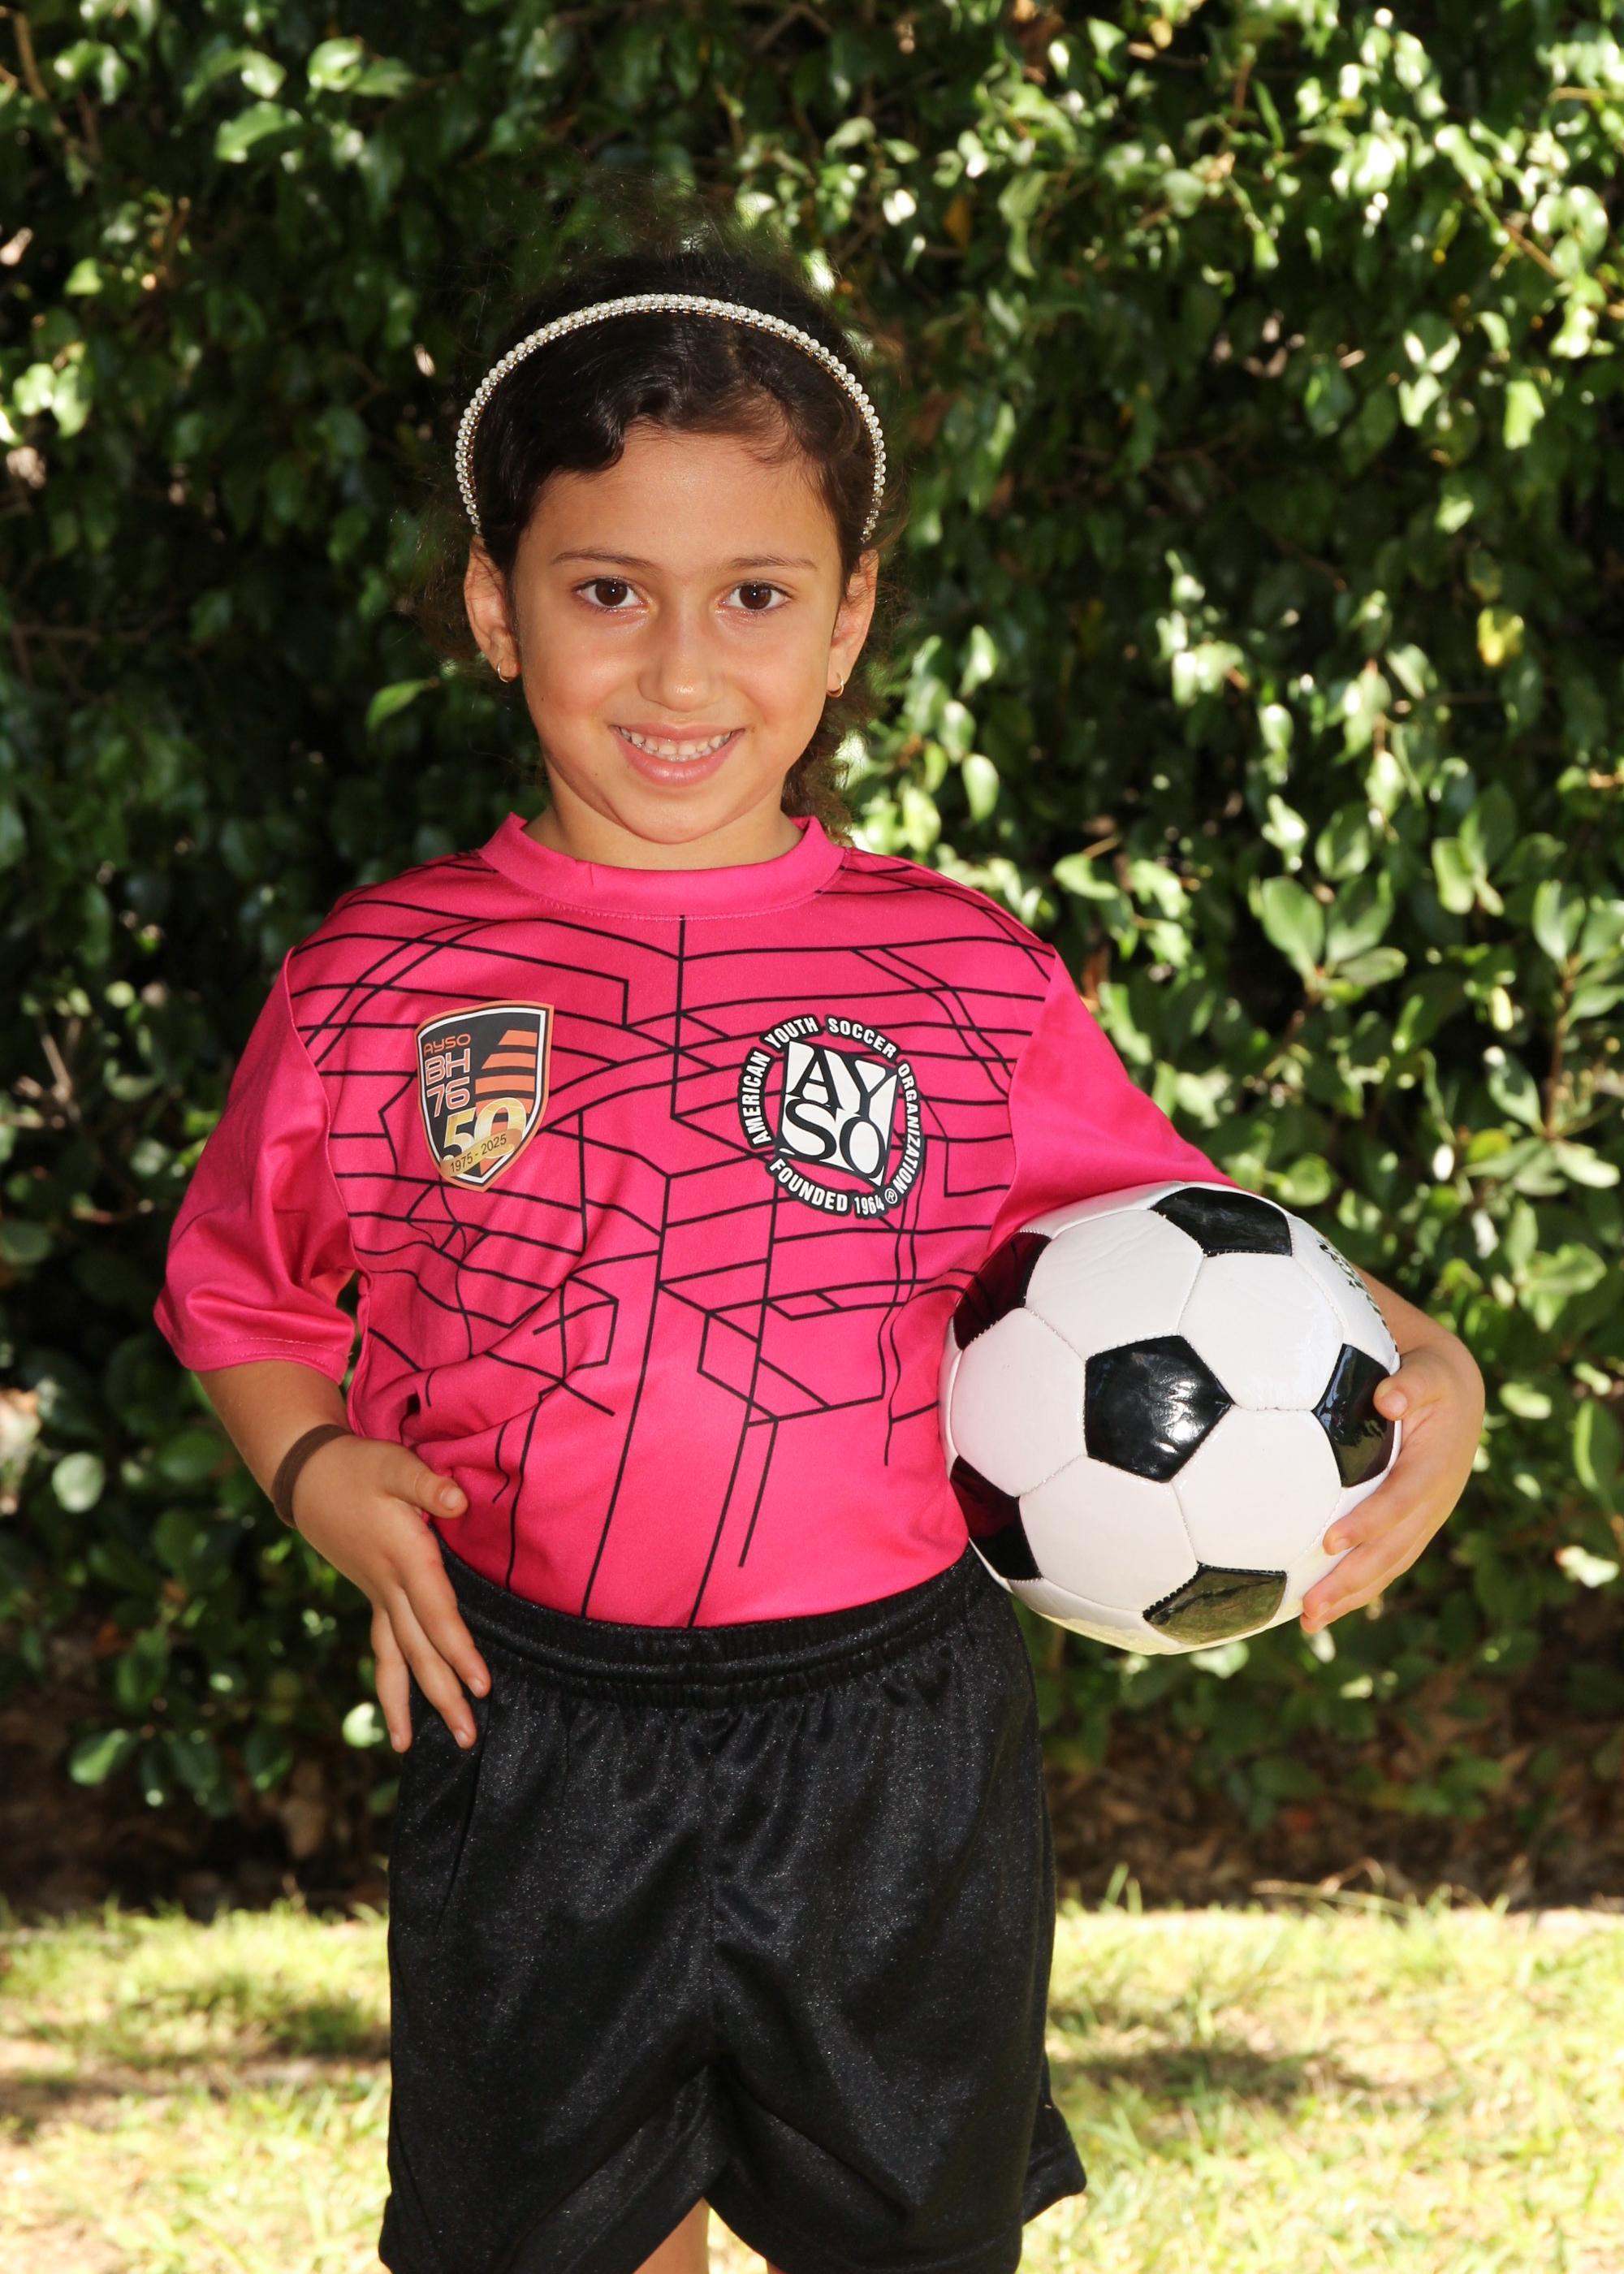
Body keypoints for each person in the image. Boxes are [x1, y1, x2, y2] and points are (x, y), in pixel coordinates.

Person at [154, 226, 1485, 2274]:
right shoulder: (381, 978)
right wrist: (316, 1468)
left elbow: (1205, 1243)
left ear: (849, 615)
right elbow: (238, 1289)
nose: (682, 671)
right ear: (496, 606)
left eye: (756, 595)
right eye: (608, 590)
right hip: (529, 1723)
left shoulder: (963, 976)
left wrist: (1432, 1359)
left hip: (890, 1746)